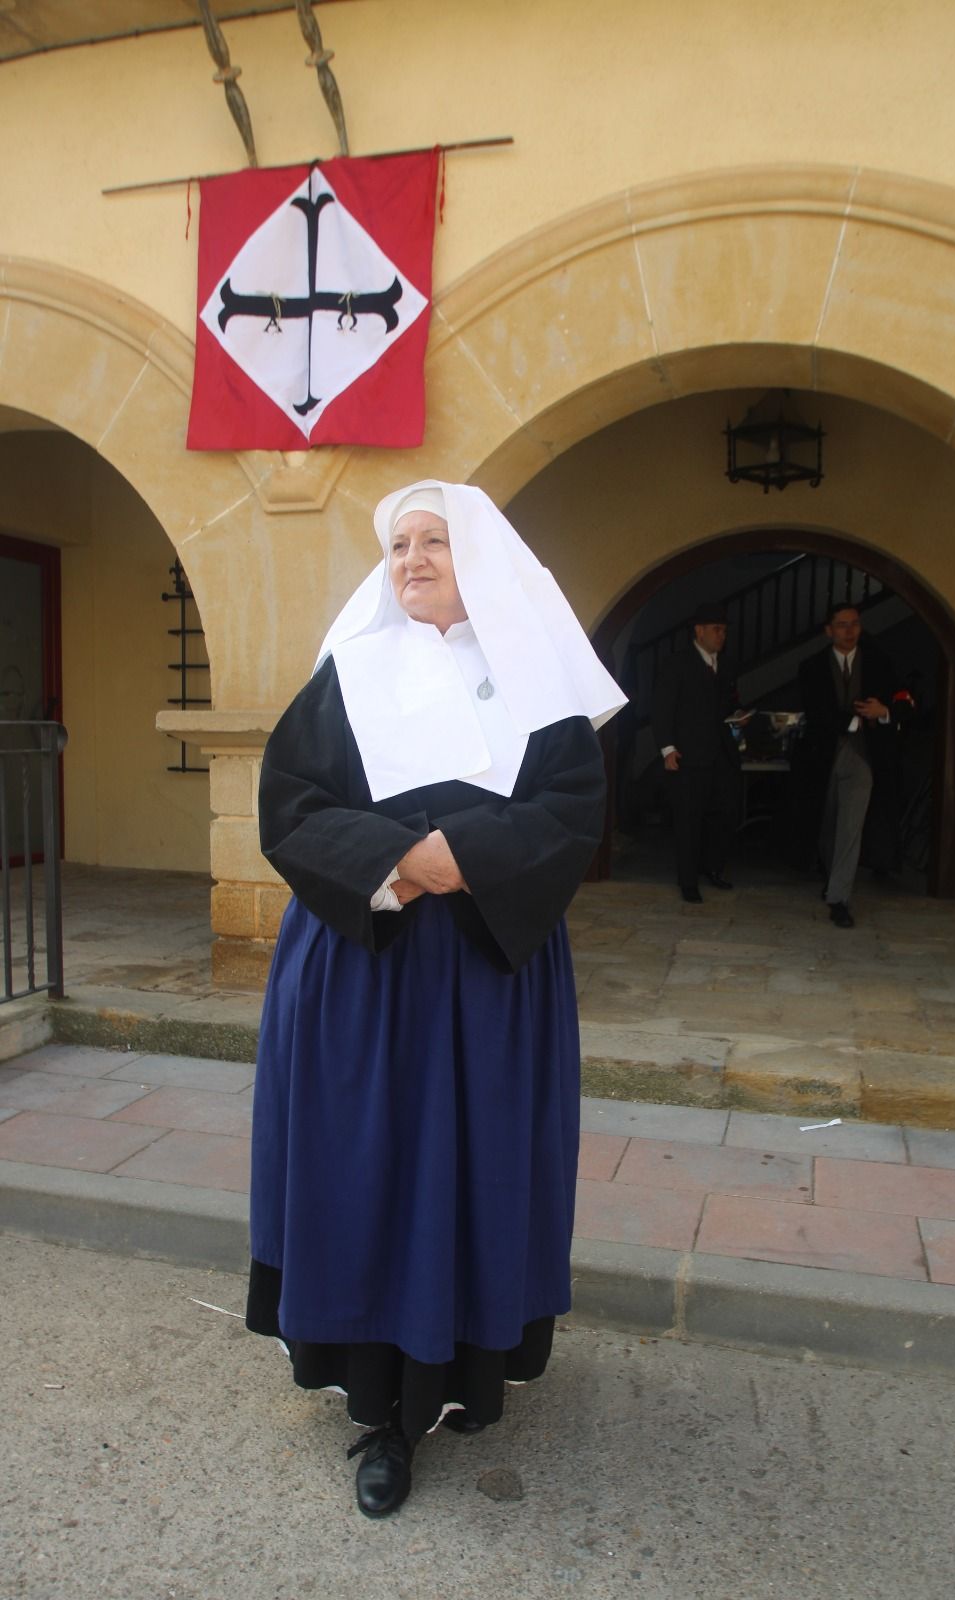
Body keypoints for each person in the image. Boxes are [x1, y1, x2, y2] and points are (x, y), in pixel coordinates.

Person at [244, 480, 624, 1519]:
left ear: (486, 560)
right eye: (398, 543)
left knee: (471, 1165)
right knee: (367, 1168)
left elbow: (569, 809)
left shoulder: (539, 680)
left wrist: (461, 860)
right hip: (361, 970)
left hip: (487, 980)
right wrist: (402, 864)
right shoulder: (352, 673)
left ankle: (463, 1364)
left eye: (433, 541)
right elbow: (289, 803)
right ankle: (381, 1407)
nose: (409, 557)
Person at [793, 601, 906, 928]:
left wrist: (883, 712)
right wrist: (854, 719)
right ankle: (833, 878)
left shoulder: (879, 663)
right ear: (829, 630)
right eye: (842, 625)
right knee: (828, 823)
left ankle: (839, 897)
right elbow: (815, 711)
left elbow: (902, 701)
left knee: (851, 826)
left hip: (864, 756)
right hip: (824, 756)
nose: (849, 630)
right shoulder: (812, 666)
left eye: (854, 623)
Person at [651, 604, 747, 903]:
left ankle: (712, 868)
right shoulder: (677, 664)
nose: (722, 636)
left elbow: (728, 704)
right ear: (699, 630)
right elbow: (662, 707)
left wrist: (738, 716)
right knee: (688, 819)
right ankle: (688, 880)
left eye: (724, 631)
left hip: (721, 753)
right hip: (689, 754)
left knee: (726, 813)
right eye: (717, 630)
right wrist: (667, 747)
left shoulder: (727, 665)